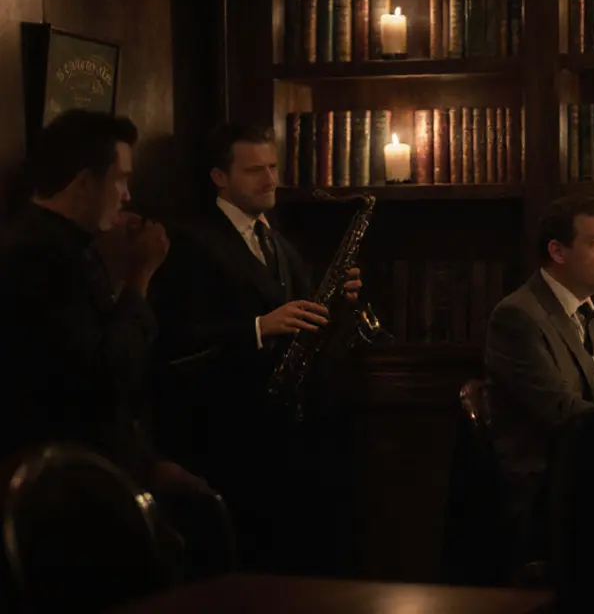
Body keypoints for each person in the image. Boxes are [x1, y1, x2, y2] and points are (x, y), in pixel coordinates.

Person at [0, 110, 211, 572]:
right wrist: (141, 276)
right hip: (66, 494)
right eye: (120, 180)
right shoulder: (37, 256)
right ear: (83, 183)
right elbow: (104, 371)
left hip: (104, 470)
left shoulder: (67, 246)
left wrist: (149, 462)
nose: (128, 195)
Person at [148, 123, 362, 573]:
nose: (270, 180)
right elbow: (173, 337)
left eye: (272, 166)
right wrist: (259, 328)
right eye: (253, 170)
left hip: (287, 433)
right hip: (228, 434)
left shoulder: (278, 240)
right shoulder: (188, 242)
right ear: (219, 178)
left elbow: (311, 330)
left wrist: (338, 306)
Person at [484, 195, 594, 541]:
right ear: (558, 252)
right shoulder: (518, 316)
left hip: (588, 472)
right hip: (544, 488)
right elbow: (561, 413)